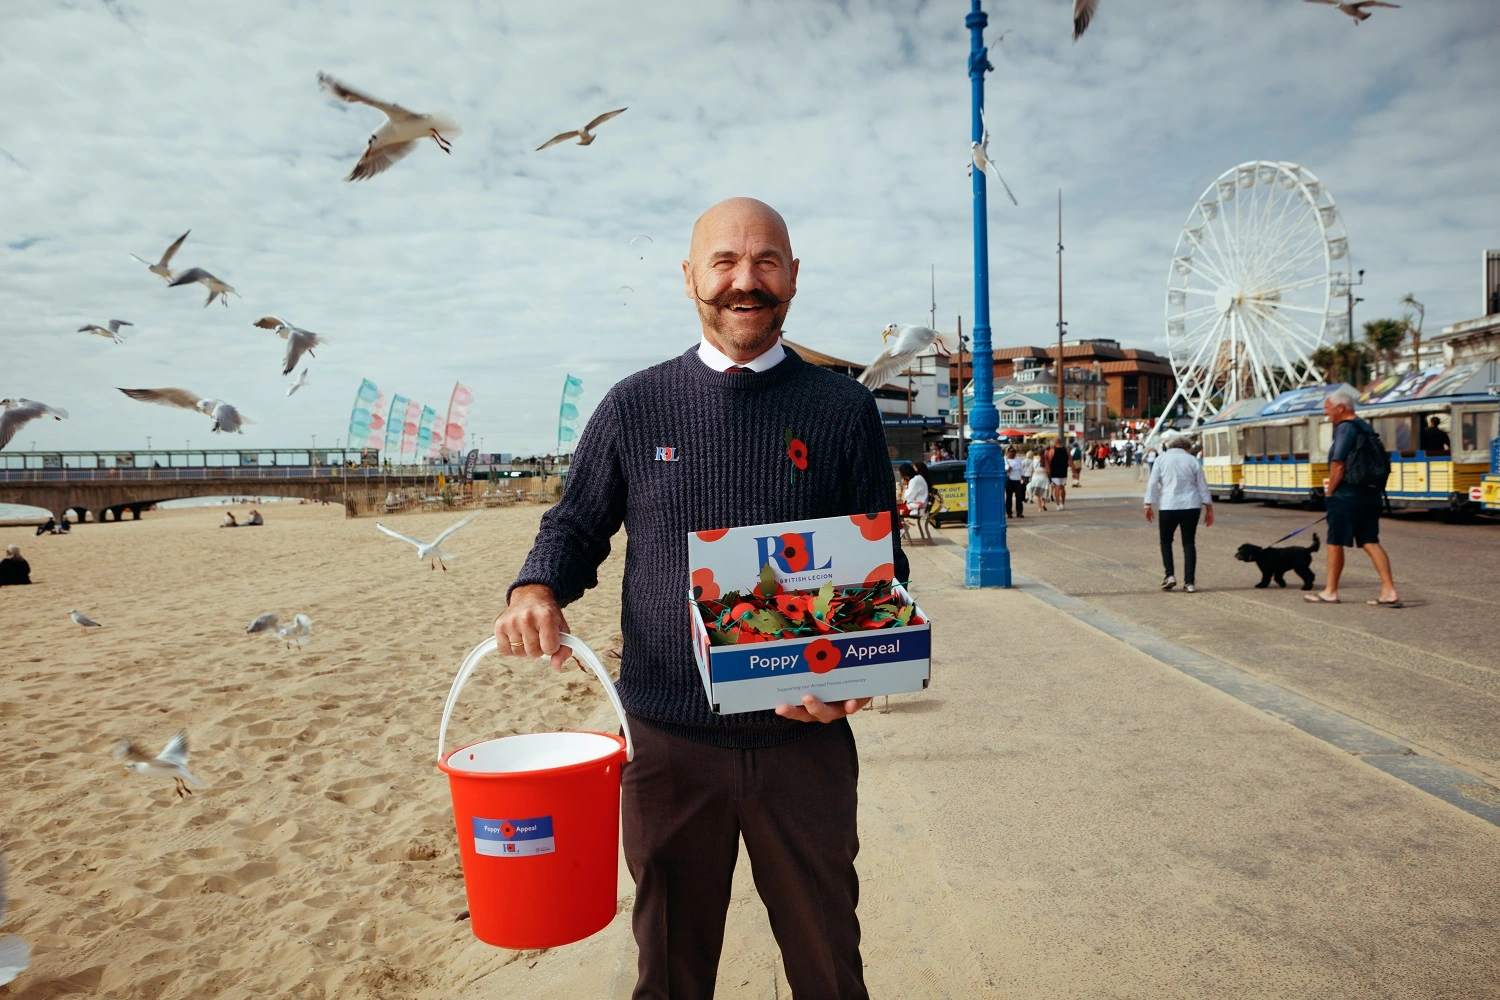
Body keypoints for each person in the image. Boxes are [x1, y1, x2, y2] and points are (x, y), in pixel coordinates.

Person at [497, 197, 904, 999]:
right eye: (723, 262)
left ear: (793, 276)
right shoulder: (633, 404)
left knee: (830, 965)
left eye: (765, 263)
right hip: (667, 743)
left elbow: (880, 567)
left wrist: (858, 670)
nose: (743, 282)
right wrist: (535, 586)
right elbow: (577, 523)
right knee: (672, 971)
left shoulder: (843, 409)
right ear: (690, 277)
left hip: (805, 747)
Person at [1306, 386, 1400, 607]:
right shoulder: (1364, 427)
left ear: (1340, 408)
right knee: (1370, 540)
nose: (1325, 413)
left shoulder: (1345, 429)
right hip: (1370, 494)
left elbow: (1338, 465)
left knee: (1335, 540)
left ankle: (1330, 591)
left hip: (1347, 495)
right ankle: (1389, 590)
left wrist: (1329, 493)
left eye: (1327, 408)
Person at [1144, 431, 1214, 593]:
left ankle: (1170, 575)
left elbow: (1153, 483)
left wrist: (1148, 504)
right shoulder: (1192, 460)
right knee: (1189, 543)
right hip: (1191, 505)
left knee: (1166, 541)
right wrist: (1209, 508)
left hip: (1169, 505)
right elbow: (1202, 485)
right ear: (1187, 447)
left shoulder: (1161, 459)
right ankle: (1189, 582)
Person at [1045, 436, 1073, 509]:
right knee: (1062, 487)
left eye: (1054, 442)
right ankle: (1063, 504)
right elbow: (1070, 460)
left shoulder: (1052, 450)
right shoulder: (1066, 450)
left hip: (1055, 471)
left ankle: (1058, 505)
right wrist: (1074, 471)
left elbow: (1049, 461)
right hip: (1063, 471)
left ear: (1056, 442)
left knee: (1057, 487)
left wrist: (1049, 470)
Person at [1003, 445, 1026, 518]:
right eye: (1012, 452)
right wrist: (1007, 470)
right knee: (1009, 497)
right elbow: (1004, 470)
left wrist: (1022, 476)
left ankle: (1019, 512)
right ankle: (1009, 512)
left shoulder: (1018, 459)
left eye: (1014, 452)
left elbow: (1021, 468)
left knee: (1019, 496)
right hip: (1009, 479)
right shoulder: (1005, 459)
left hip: (1017, 479)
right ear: (1008, 452)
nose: (1013, 453)